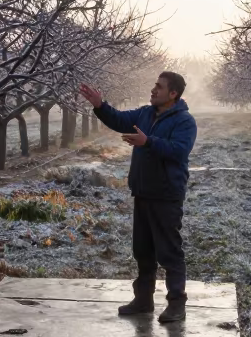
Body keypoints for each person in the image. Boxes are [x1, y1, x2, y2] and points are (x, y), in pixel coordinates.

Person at [79, 72, 197, 323]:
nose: (153, 90)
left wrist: (148, 141)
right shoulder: (145, 114)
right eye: (154, 85)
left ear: (173, 93)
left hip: (166, 195)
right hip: (142, 192)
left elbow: (179, 150)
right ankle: (144, 300)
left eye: (159, 87)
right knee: (143, 250)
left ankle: (177, 304)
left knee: (169, 252)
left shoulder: (184, 121)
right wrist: (100, 105)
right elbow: (120, 120)